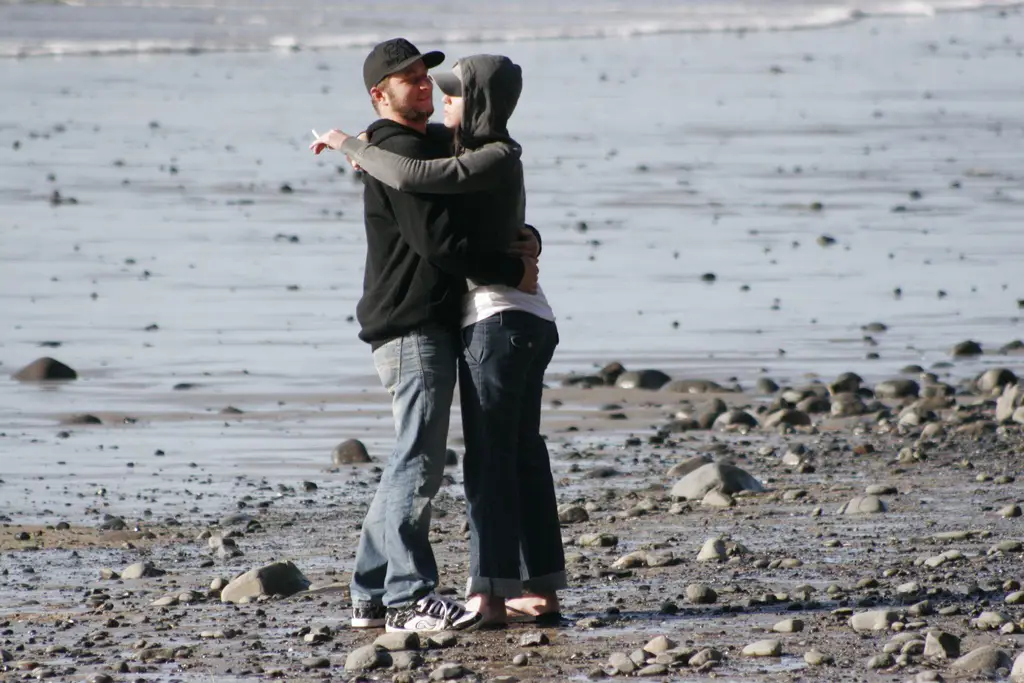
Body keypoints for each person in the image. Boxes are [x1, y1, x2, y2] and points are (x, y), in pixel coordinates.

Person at [314, 55, 566, 626]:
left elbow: (492, 215)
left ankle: (374, 596)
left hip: (460, 320)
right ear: (380, 94)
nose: (429, 87)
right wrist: (511, 266)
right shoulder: (402, 151)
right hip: (414, 323)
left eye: (436, 81)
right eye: (413, 79)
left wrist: (523, 245)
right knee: (423, 459)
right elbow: (441, 242)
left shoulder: (446, 148)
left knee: (430, 457)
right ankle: (406, 597)